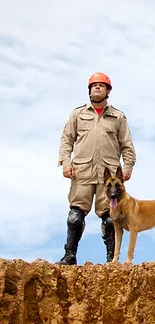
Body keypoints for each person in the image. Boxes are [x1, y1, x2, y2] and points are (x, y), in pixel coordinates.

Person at [56, 72, 136, 265]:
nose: (97, 88)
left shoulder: (117, 117)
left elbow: (127, 145)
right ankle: (69, 256)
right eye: (93, 85)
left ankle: (112, 258)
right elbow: (66, 140)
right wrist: (66, 163)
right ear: (89, 90)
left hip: (109, 177)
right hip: (82, 173)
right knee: (75, 217)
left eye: (101, 85)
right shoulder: (78, 114)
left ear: (108, 91)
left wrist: (128, 166)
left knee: (110, 219)